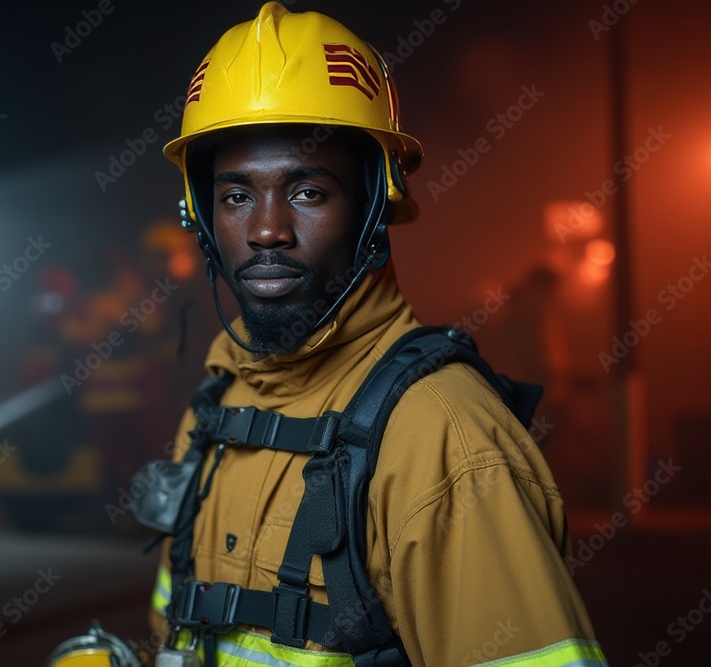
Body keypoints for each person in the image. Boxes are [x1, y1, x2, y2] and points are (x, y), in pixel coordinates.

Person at [142, 3, 607, 666]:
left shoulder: (443, 437)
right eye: (237, 195)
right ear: (202, 214)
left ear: (373, 205)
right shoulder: (216, 407)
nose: (266, 229)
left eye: (307, 190)